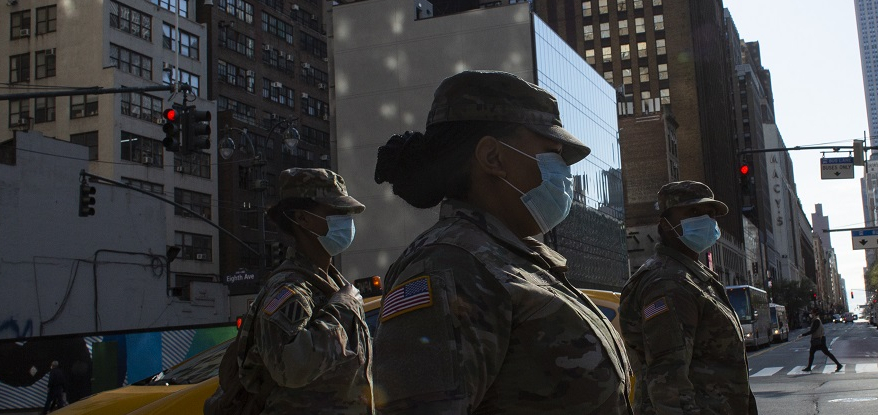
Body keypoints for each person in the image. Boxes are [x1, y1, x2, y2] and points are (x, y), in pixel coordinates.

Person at [371, 70, 631, 414]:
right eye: (551, 155)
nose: (563, 175)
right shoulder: (449, 268)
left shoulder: (514, 259)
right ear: (493, 157)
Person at [205, 168, 374, 413]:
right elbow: (291, 367)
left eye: (347, 213)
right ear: (301, 218)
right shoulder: (289, 290)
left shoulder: (331, 284)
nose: (346, 221)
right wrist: (343, 310)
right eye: (336, 212)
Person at [620, 181, 759, 413]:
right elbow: (669, 383)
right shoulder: (668, 283)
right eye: (693, 212)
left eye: (710, 213)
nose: (706, 219)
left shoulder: (692, 276)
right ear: (665, 225)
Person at [803, 309, 843, 374]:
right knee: (813, 353)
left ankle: (838, 364)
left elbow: (813, 330)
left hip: (819, 340)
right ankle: (809, 367)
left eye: (811, 313)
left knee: (824, 352)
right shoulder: (816, 320)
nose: (810, 314)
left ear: (814, 313)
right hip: (818, 339)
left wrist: (803, 334)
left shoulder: (816, 320)